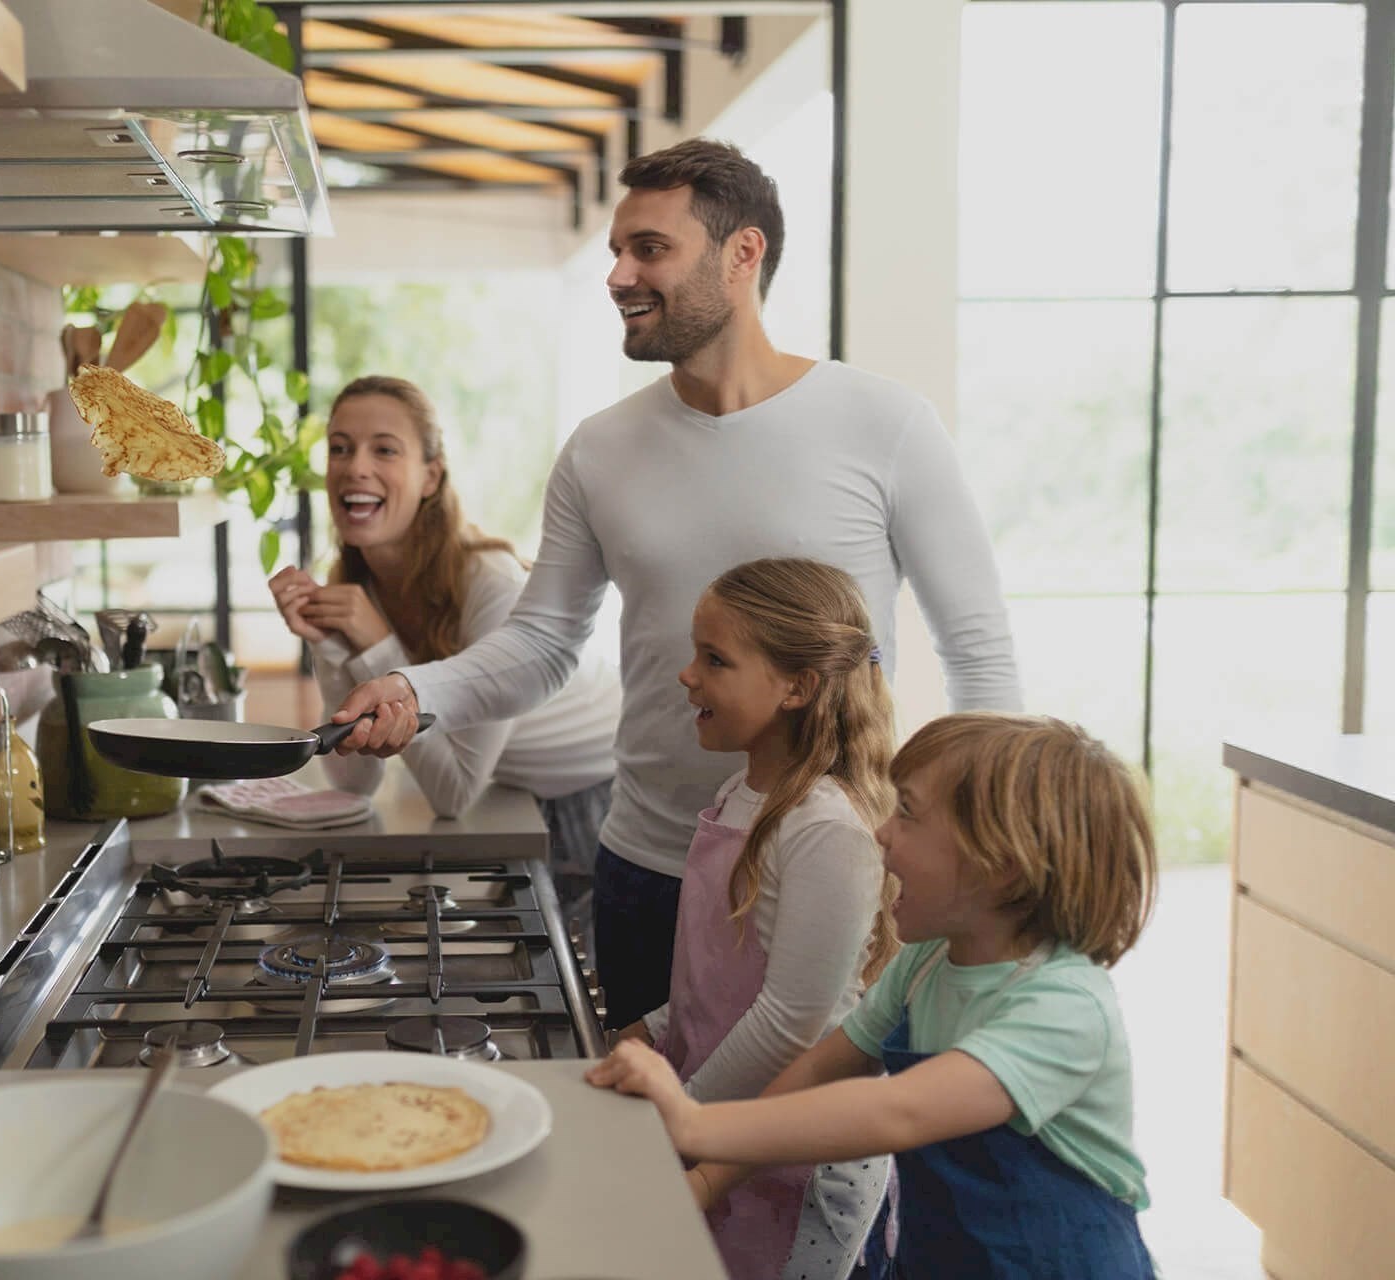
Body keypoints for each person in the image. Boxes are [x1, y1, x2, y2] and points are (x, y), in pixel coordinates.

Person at [319, 137, 1022, 1030]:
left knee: (819, 1117)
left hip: (834, 868)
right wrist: (415, 692)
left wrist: (979, 838)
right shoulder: (600, 449)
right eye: (618, 250)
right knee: (646, 1110)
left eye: (649, 248)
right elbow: (542, 643)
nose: (619, 275)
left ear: (742, 253)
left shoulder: (886, 425)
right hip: (649, 866)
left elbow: (977, 650)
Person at [588, 713, 1160, 1279]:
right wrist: (710, 1177)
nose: (882, 831)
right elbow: (817, 1071)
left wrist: (692, 1122)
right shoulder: (925, 962)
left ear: (1002, 866)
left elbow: (902, 1111)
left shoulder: (1064, 1008)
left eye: (907, 812)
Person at [610, 558, 898, 1280]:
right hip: (727, 1122)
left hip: (795, 1152)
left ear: (797, 688)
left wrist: (687, 1117)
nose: (687, 675)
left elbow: (792, 1019)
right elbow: (721, 974)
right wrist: (651, 1029)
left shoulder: (824, 827)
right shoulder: (742, 791)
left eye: (715, 659)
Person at [268, 375, 621, 946]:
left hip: (593, 801)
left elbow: (453, 794)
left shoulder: (489, 584)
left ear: (431, 476)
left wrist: (376, 645)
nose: (355, 467)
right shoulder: (361, 586)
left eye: (385, 449)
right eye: (340, 448)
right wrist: (329, 644)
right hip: (513, 793)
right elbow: (355, 781)